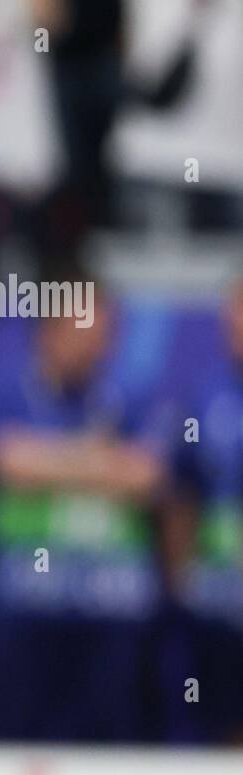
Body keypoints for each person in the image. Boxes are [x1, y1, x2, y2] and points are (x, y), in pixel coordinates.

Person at [0, 275, 169, 742]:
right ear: (49, 329)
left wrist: (51, 460)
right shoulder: (6, 393)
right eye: (84, 328)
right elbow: (7, 462)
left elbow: (147, 475)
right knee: (22, 745)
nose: (97, 342)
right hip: (27, 604)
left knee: (111, 747)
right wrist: (100, 459)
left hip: (114, 609)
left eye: (105, 330)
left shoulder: (132, 397)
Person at [164, 278, 243, 743]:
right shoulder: (203, 400)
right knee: (217, 725)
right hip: (217, 603)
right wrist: (183, 582)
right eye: (234, 307)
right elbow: (181, 495)